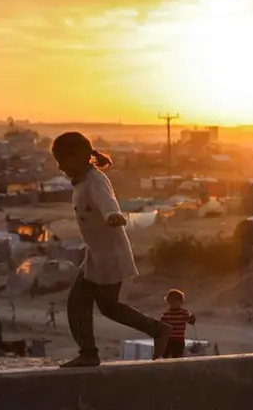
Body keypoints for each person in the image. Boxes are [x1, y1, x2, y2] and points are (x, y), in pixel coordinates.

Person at [51, 132, 172, 367]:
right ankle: (156, 330)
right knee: (107, 306)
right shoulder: (83, 180)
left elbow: (107, 202)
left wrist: (113, 216)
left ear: (79, 156)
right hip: (98, 254)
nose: (59, 167)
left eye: (61, 160)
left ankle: (90, 352)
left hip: (109, 255)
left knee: (83, 303)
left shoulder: (95, 180)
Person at [160, 289, 196, 359]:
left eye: (175, 302)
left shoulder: (184, 313)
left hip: (179, 340)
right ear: (168, 302)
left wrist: (192, 318)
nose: (173, 304)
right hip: (168, 340)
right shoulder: (166, 314)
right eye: (171, 302)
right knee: (165, 357)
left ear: (180, 302)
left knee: (177, 358)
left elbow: (191, 322)